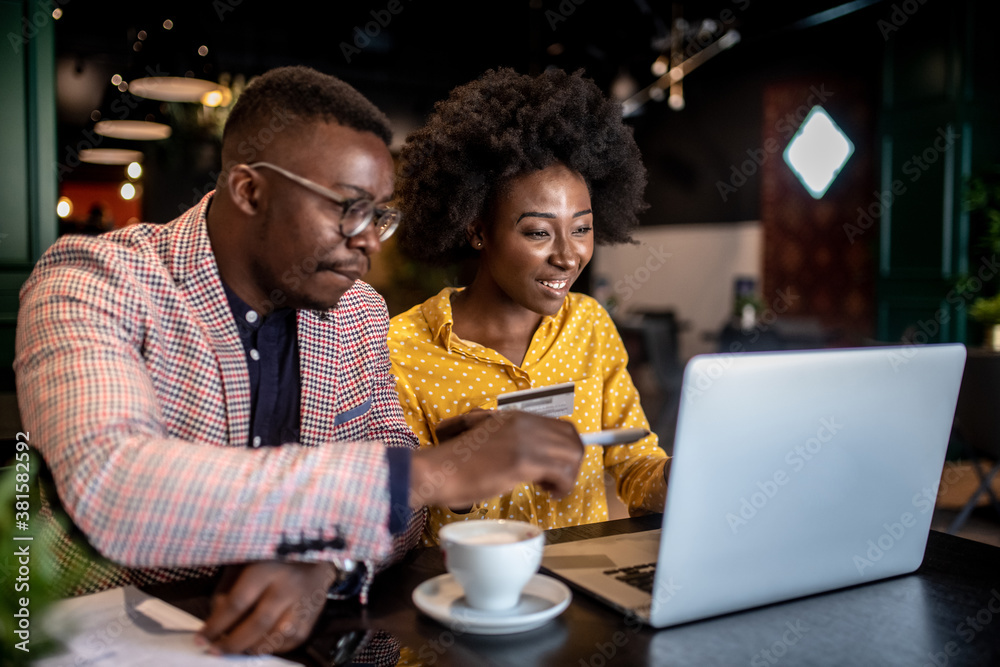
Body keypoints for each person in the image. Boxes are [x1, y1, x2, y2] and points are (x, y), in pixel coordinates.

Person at [14, 65, 584, 656]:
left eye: (379, 217)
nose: (368, 243)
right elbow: (115, 484)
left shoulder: (356, 310)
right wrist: (427, 472)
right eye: (349, 209)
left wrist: (326, 564)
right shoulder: (93, 281)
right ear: (250, 190)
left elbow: (403, 516)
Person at [388, 67, 670, 547]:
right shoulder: (403, 349)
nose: (567, 254)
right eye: (538, 232)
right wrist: (459, 476)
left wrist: (689, 479)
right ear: (477, 230)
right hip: (468, 599)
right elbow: (397, 522)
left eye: (581, 228)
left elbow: (634, 465)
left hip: (585, 597)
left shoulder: (589, 325)